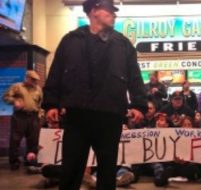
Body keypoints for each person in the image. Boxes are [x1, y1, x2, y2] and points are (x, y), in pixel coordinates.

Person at [42, 0, 147, 189]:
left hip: (110, 117)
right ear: (94, 10)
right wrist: (50, 103)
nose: (114, 15)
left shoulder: (123, 44)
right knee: (71, 170)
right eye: (110, 10)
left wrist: (139, 105)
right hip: (77, 117)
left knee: (107, 172)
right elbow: (56, 72)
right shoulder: (70, 40)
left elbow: (134, 76)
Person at [2, 70, 43, 170]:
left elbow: (40, 103)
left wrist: (41, 114)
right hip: (20, 116)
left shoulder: (38, 89)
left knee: (33, 140)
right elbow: (5, 97)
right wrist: (14, 101)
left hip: (33, 116)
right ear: (27, 78)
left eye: (36, 80)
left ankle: (29, 160)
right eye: (33, 80)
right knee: (15, 139)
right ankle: (14, 161)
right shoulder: (17, 86)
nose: (35, 82)